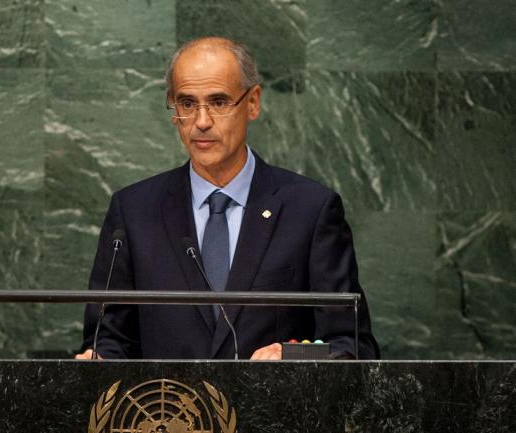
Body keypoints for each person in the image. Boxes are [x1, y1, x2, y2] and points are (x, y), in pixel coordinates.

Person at [76, 37, 379, 360]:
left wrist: (293, 358)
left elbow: (352, 345)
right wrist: (98, 359)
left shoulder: (309, 209)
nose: (202, 122)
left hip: (272, 394)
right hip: (168, 395)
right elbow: (108, 338)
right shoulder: (134, 211)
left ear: (253, 102)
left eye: (219, 102)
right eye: (187, 104)